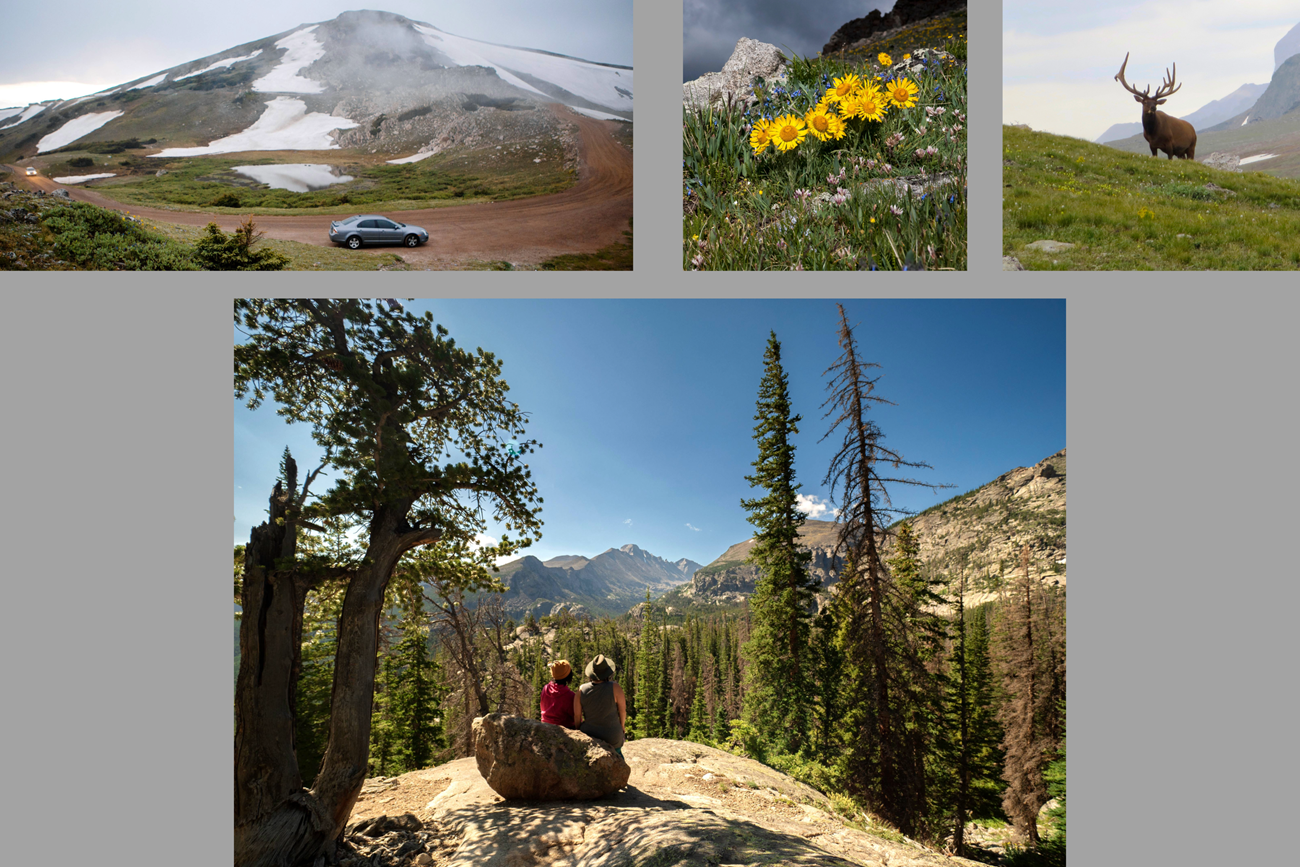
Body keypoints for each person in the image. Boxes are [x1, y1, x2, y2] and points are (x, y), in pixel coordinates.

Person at [577, 654, 626, 751]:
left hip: (589, 734)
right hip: (612, 737)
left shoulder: (581, 689)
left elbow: (577, 715)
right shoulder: (615, 687)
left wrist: (578, 731)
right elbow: (622, 710)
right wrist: (622, 727)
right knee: (617, 755)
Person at [539, 659, 582, 728]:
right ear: (568, 676)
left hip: (545, 725)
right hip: (564, 728)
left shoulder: (545, 688)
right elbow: (576, 717)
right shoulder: (569, 696)